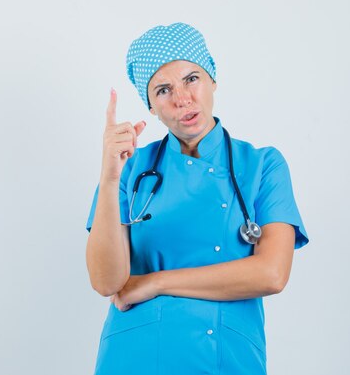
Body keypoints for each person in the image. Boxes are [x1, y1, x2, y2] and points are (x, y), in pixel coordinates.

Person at [84, 22, 309, 375]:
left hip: (226, 357)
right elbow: (106, 281)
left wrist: (154, 282)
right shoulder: (130, 170)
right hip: (134, 358)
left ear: (213, 79)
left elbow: (271, 273)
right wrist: (110, 178)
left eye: (192, 79)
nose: (182, 98)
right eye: (163, 90)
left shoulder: (263, 165)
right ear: (151, 107)